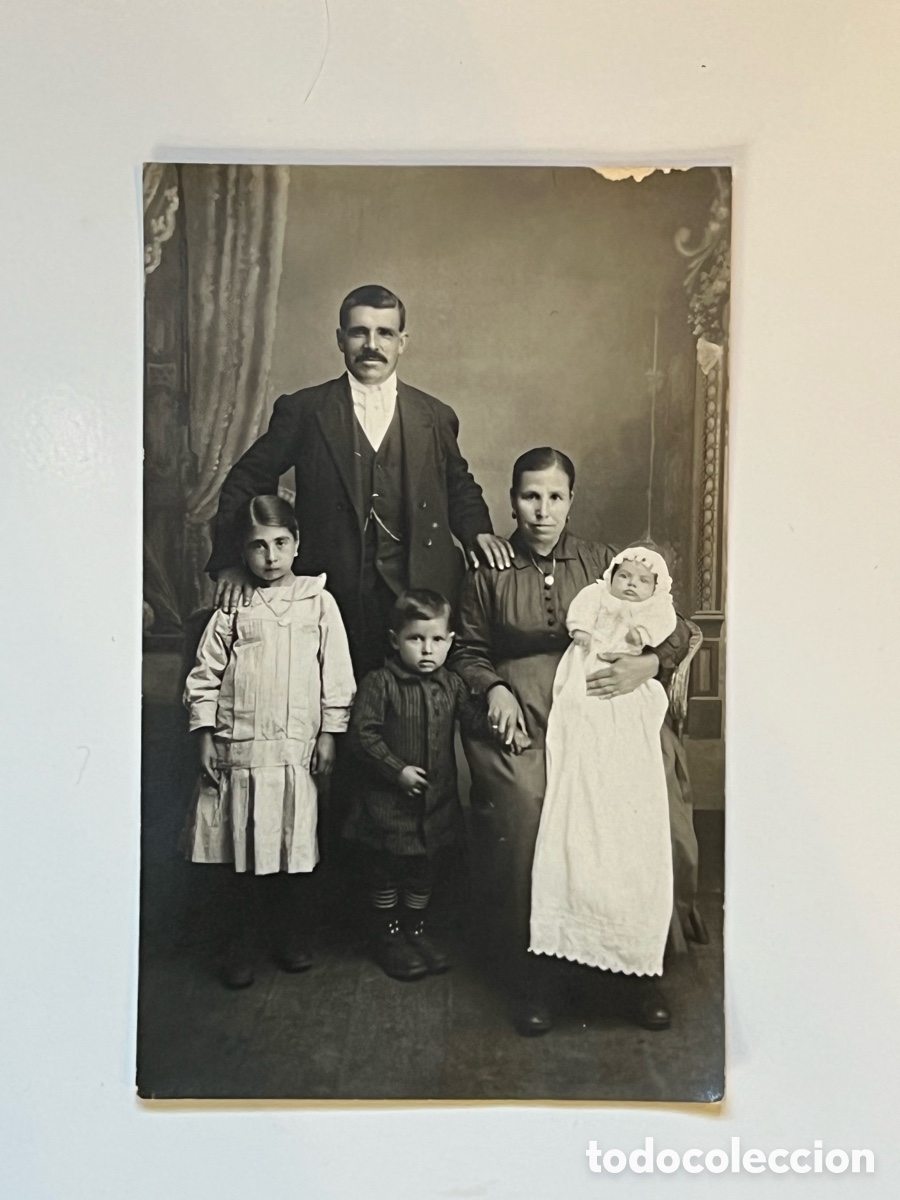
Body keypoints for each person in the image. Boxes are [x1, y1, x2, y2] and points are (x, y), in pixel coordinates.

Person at [450, 448, 704, 1036]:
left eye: (555, 497)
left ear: (572, 500)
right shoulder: (486, 569)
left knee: (647, 799)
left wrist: (650, 666)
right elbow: (466, 648)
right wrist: (493, 689)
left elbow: (677, 625)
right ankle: (542, 971)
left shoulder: (602, 560)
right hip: (527, 710)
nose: (542, 510)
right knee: (529, 805)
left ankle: (636, 969)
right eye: (529, 496)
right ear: (511, 500)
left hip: (605, 702)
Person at [206, 284, 512, 675]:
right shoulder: (305, 410)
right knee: (337, 713)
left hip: (418, 594)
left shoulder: (434, 415)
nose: (372, 344)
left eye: (384, 333)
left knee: (414, 714)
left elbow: (458, 484)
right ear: (340, 339)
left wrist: (478, 532)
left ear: (403, 341)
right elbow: (246, 478)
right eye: (359, 332)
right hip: (332, 591)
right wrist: (233, 562)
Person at [183, 495, 356, 988]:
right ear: (243, 551)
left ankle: (289, 936)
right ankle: (239, 945)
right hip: (241, 750)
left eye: (281, 543)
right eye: (258, 547)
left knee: (290, 847)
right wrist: (204, 735)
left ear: (297, 543)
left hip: (294, 753)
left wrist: (329, 733)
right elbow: (206, 675)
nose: (271, 556)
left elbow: (335, 673)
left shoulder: (318, 600)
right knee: (239, 852)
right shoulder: (233, 606)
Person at [529, 546, 679, 980]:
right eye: (624, 576)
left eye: (641, 580)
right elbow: (581, 612)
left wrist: (644, 651)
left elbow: (672, 627)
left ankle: (635, 959)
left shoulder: (652, 605)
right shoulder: (597, 594)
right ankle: (555, 954)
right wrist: (581, 632)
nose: (630, 584)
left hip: (632, 687)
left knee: (635, 809)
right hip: (582, 676)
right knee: (571, 799)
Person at [344, 589, 488, 981]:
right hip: (388, 807)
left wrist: (499, 721)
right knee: (388, 870)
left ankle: (415, 929)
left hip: (436, 805)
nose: (427, 649)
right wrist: (396, 770)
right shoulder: (380, 684)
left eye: (437, 640)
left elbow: (473, 720)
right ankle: (387, 934)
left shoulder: (451, 685)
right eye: (416, 638)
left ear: (450, 642)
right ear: (395, 640)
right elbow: (363, 736)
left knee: (424, 871)